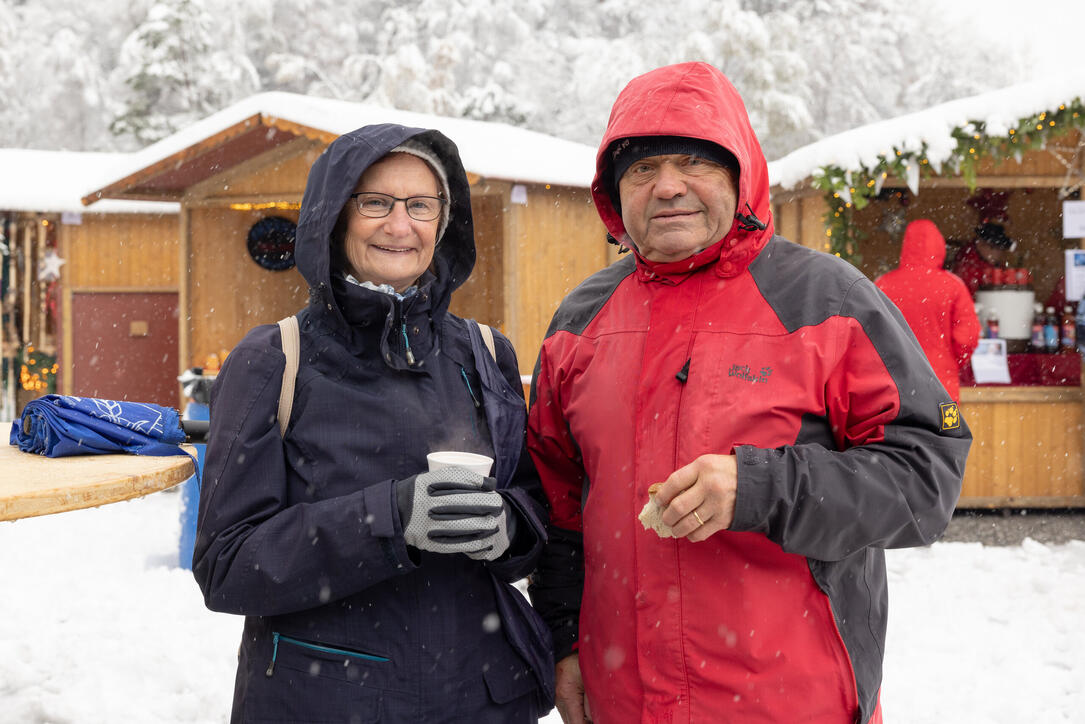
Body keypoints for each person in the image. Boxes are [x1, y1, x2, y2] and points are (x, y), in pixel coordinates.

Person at [527, 62, 971, 724]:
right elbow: (554, 504)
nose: (667, 186)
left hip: (793, 700)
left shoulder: (824, 297)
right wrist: (564, 638)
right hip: (627, 701)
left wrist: (762, 488)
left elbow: (925, 477)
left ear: (739, 175)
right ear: (613, 194)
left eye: (692, 162)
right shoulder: (580, 320)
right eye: (641, 170)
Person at [193, 123, 553, 722]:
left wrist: (508, 528)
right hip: (326, 702)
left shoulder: (487, 353)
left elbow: (536, 515)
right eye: (376, 203)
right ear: (333, 217)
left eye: (420, 205)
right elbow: (228, 565)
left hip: (481, 700)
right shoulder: (275, 361)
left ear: (444, 220)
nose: (399, 224)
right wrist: (389, 518)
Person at [876, 218, 981, 402]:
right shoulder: (953, 286)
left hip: (896, 386)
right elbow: (967, 337)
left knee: (898, 432)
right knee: (944, 430)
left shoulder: (883, 285)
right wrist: (951, 363)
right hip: (941, 385)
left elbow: (870, 336)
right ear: (939, 246)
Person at [950, 221, 1017, 295]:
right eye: (995, 247)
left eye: (1002, 249)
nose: (999, 254)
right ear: (980, 244)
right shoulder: (967, 267)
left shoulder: (990, 263)